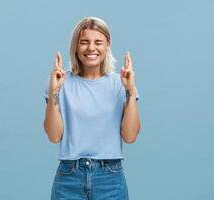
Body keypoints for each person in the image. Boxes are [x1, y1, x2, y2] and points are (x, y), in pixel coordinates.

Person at [43, 16, 141, 200]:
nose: (91, 48)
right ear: (76, 46)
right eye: (84, 42)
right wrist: (54, 92)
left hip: (110, 177)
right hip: (68, 177)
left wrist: (130, 91)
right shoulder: (60, 82)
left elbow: (130, 136)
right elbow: (54, 136)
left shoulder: (120, 83)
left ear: (107, 44)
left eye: (98, 42)